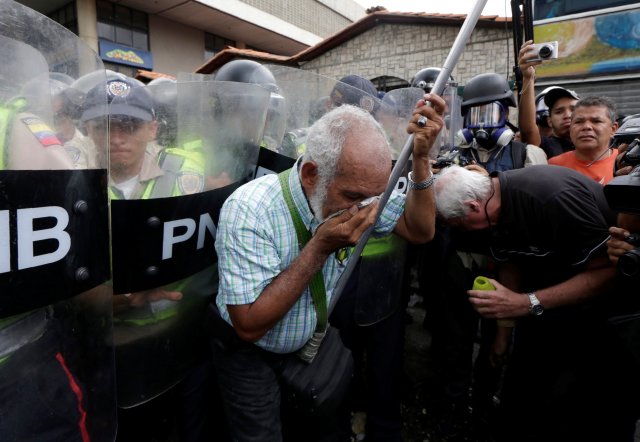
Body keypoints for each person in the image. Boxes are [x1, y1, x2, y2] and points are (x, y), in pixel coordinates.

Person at [210, 93, 446, 442]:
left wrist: (421, 161)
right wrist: (320, 246)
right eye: (352, 198)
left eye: (374, 197)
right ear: (310, 174)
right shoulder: (250, 210)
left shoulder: (362, 192)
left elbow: (421, 230)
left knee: (320, 420)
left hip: (308, 341)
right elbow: (248, 324)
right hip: (249, 355)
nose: (366, 211)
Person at [434, 164, 618, 441]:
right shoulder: (493, 210)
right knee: (519, 397)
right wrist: (503, 335)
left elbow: (608, 273)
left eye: (457, 224)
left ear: (472, 207)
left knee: (564, 405)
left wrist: (527, 302)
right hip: (544, 303)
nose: (460, 231)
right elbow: (511, 262)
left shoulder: (552, 198)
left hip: (593, 314)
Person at [82, 77, 213, 442]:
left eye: (130, 125)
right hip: (111, 340)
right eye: (105, 126)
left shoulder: (192, 170)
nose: (117, 137)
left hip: (183, 331)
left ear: (153, 128)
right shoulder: (67, 177)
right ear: (88, 130)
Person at [432, 72, 547, 438]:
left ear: (505, 113)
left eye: (489, 113)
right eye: (474, 115)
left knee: (498, 339)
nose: (481, 124)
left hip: (507, 264)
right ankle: (452, 406)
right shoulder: (451, 155)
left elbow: (534, 211)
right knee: (455, 338)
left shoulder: (527, 154)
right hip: (459, 259)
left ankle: (484, 404)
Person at [517, 40, 579, 158]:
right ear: (549, 121)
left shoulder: (603, 144)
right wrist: (528, 77)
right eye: (559, 111)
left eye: (573, 109)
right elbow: (528, 130)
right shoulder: (546, 147)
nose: (567, 115)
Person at [548, 96, 619, 185]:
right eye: (579, 122)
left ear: (613, 129)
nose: (586, 127)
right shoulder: (554, 166)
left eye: (596, 121)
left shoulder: (625, 163)